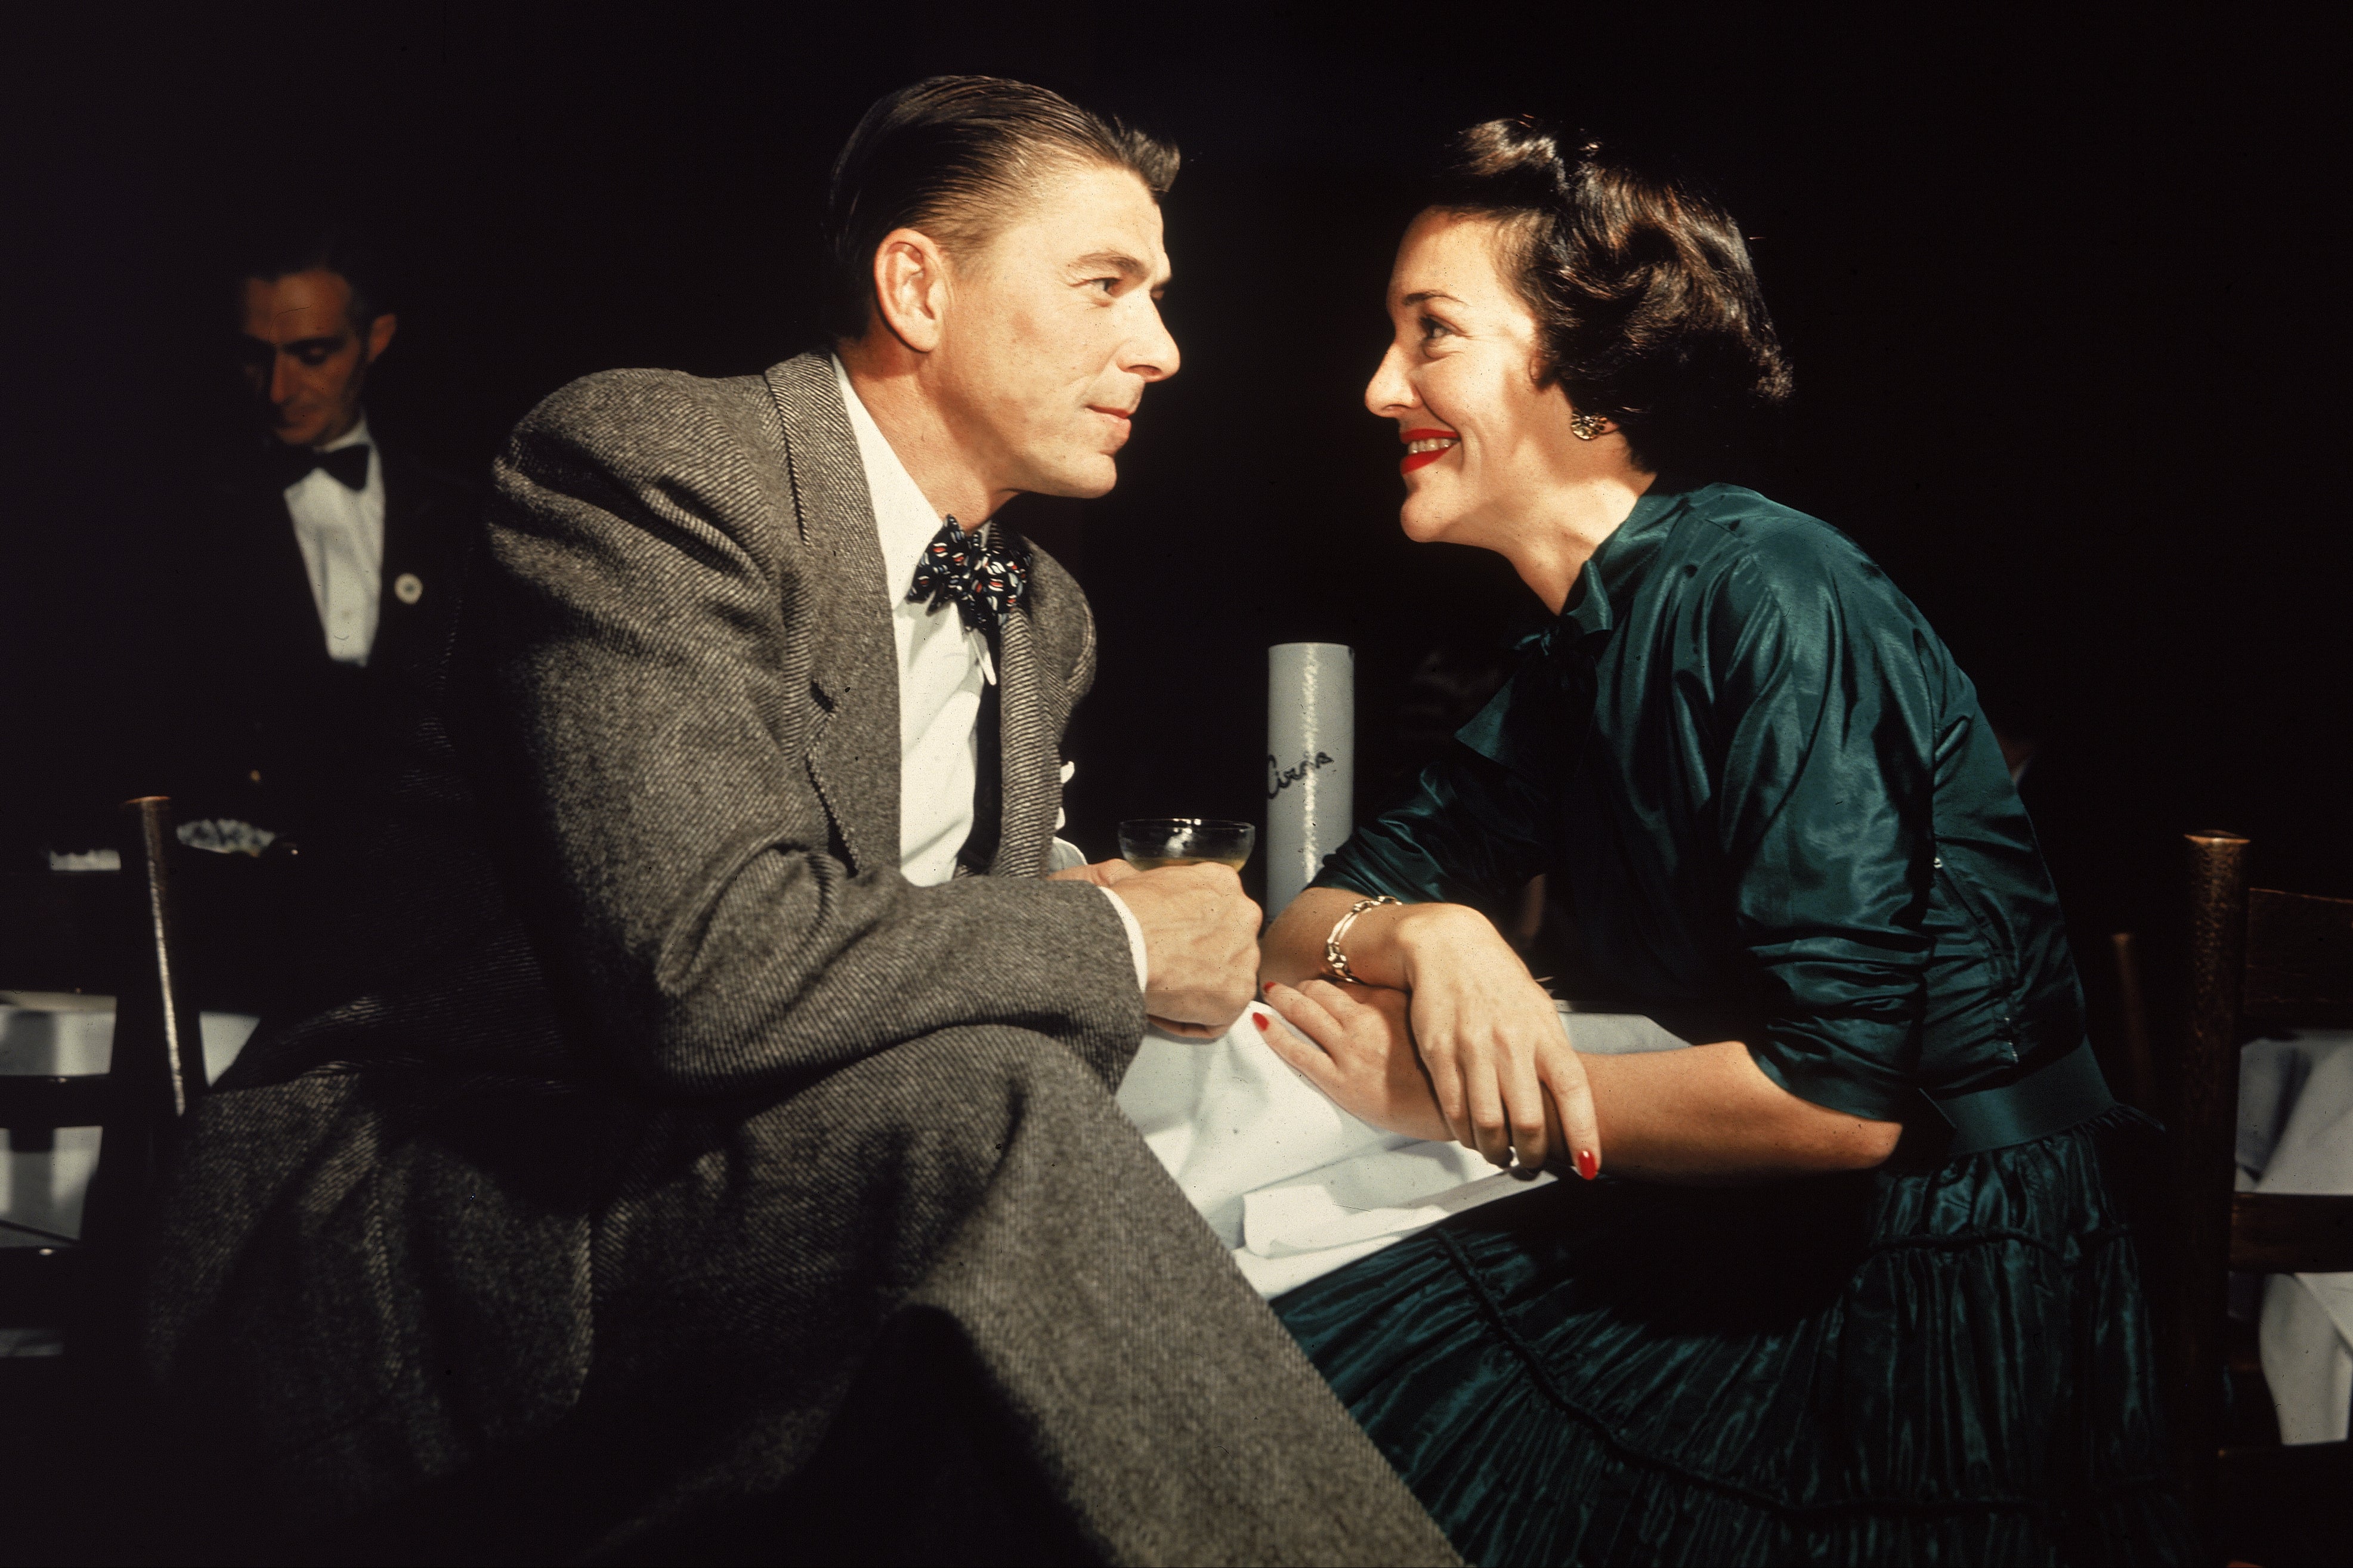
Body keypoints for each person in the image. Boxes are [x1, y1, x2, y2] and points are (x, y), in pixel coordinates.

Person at [139, 78, 1458, 1564]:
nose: (1160, 347)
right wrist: (1100, 931)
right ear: (916, 284)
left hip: (759, 1223)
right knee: (989, 1122)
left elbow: (962, 1005)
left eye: (1157, 295)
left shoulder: (1045, 619)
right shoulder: (651, 465)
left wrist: (1063, 919)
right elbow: (700, 970)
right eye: (1104, 285)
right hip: (443, 1233)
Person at [1253, 119, 2193, 1565]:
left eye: (1428, 334)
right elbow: (1302, 918)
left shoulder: (1768, 591)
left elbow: (1835, 1102)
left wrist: (1461, 1101)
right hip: (1766, 1226)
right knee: (1251, 1394)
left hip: (1942, 1271)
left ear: (1595, 376)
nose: (1379, 387)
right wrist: (1428, 933)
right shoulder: (1582, 641)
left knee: (1330, 1426)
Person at [132, 227, 480, 1010]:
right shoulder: (179, 523)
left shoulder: (460, 515)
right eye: (256, 355)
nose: (278, 389)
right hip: (245, 928)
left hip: (422, 934)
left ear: (376, 339)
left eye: (312, 353)